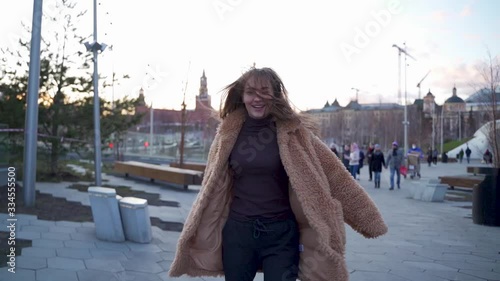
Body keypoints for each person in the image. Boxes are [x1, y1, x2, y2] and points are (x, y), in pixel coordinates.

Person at [168, 67, 387, 281]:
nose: (257, 99)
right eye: (251, 92)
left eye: (265, 92)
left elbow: (335, 175)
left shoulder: (295, 134)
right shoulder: (227, 134)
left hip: (281, 236)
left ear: (275, 96)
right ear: (241, 96)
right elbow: (211, 184)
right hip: (238, 234)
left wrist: (368, 219)